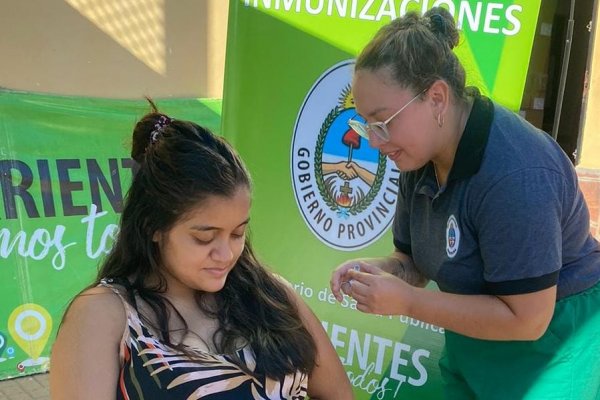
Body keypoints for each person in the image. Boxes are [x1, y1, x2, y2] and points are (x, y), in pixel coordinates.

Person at [330, 7, 600, 400]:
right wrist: (378, 272)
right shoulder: (417, 155)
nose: (373, 140)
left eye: (382, 122)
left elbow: (527, 320)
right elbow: (414, 265)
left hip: (554, 343)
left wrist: (406, 302)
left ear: (437, 98)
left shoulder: (516, 173)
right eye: (364, 124)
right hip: (476, 337)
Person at [50, 101, 353, 399]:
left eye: (237, 233)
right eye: (204, 238)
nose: (226, 255)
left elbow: (338, 394)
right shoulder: (103, 314)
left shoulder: (270, 295)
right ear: (153, 226)